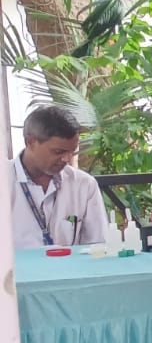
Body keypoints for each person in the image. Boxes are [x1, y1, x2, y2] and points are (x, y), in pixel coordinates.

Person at [10, 105, 108, 248]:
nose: (67, 159)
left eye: (72, 152)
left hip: (71, 263)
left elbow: (98, 244)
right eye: (58, 151)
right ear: (30, 142)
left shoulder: (84, 184)